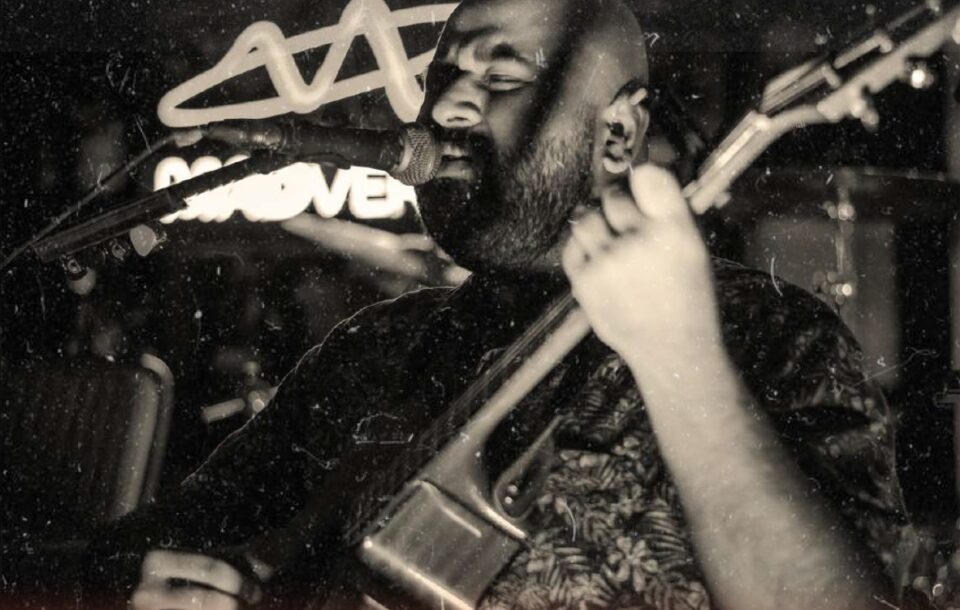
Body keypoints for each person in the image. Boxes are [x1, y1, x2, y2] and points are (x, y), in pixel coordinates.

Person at [89, 0, 910, 608]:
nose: (447, 105)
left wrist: (680, 358)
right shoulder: (375, 346)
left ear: (617, 138)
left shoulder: (774, 338)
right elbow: (143, 552)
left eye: (501, 76)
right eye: (443, 75)